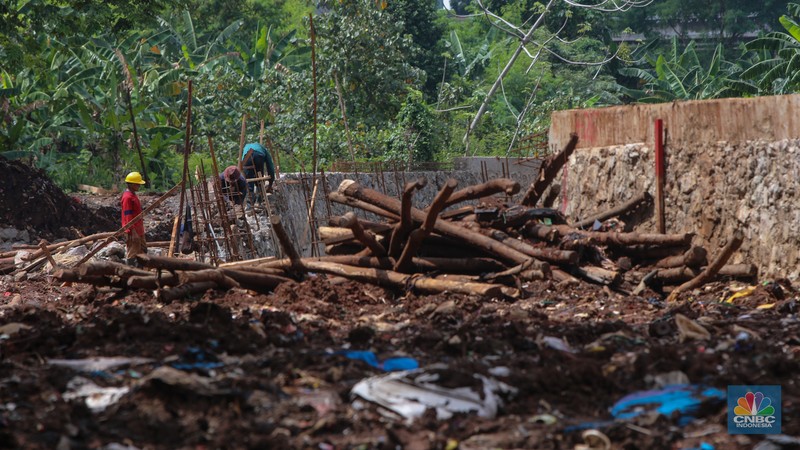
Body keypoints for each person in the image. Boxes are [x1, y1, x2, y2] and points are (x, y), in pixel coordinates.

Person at [121, 171, 147, 266]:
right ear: (131, 184)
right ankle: (130, 272)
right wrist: (133, 232)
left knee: (142, 250)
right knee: (133, 252)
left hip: (139, 229)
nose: (139, 186)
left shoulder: (133, 195)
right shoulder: (127, 197)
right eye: (137, 184)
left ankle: (141, 273)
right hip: (132, 230)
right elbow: (128, 215)